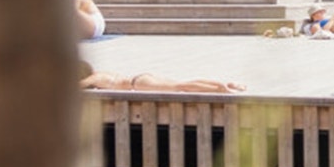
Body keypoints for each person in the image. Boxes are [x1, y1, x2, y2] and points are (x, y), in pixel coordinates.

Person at [81, 61, 244, 94]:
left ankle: (220, 89)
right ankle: (224, 85)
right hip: (140, 79)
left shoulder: (94, 78)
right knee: (182, 84)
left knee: (181, 87)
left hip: (138, 84)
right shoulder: (102, 74)